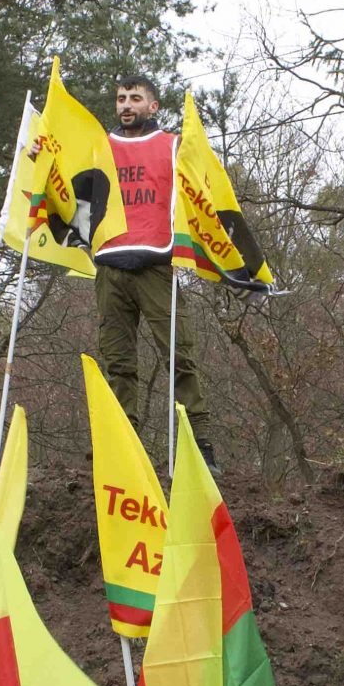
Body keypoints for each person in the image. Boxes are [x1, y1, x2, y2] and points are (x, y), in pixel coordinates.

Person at [93, 75, 211, 459]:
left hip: (157, 265)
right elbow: (63, 174)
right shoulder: (97, 147)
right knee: (117, 363)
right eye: (121, 98)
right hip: (109, 266)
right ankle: (122, 451)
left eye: (135, 98)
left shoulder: (172, 145)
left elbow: (203, 184)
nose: (126, 105)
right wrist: (37, 155)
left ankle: (199, 445)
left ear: (152, 106)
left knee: (179, 355)